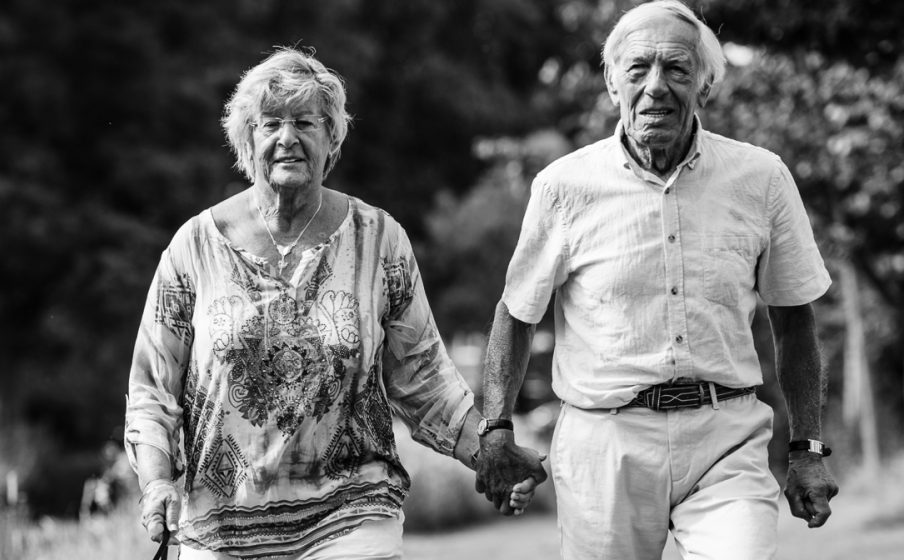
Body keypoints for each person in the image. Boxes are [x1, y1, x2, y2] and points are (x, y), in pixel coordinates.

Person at [124, 47, 542, 560]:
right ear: (245, 139)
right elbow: (152, 390)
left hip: (353, 515)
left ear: (332, 139)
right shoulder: (194, 247)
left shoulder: (379, 240)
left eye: (305, 122)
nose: (287, 138)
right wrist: (156, 485)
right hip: (221, 529)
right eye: (270, 123)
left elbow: (423, 375)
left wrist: (489, 454)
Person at [473, 1, 839, 558]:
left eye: (677, 69)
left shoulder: (761, 178)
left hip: (727, 437)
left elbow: (794, 319)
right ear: (612, 83)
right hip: (605, 444)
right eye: (638, 68)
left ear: (705, 85)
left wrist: (807, 448)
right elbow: (516, 313)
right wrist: (496, 432)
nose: (656, 87)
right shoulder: (563, 186)